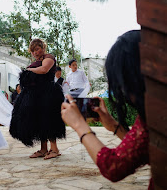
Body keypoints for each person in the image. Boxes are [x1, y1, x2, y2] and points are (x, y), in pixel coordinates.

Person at [61, 30, 153, 189]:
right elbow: (143, 149)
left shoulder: (156, 115)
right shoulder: (155, 107)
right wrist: (113, 125)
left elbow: (113, 167)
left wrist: (79, 125)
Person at [9, 38, 65, 160]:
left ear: (43, 48)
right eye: (32, 51)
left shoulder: (48, 57)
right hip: (37, 95)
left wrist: (28, 70)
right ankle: (44, 149)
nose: (35, 53)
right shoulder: (37, 61)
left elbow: (44, 70)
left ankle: (54, 149)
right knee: (39, 121)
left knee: (49, 120)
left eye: (37, 49)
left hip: (48, 93)